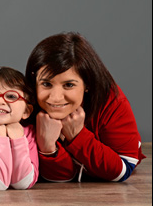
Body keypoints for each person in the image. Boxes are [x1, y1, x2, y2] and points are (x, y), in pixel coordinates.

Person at [25, 32, 146, 182]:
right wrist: (48, 147)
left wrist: (78, 136)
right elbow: (63, 177)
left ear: (87, 83)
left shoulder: (111, 99)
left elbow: (123, 169)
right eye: (46, 84)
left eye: (69, 85)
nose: (56, 97)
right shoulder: (25, 104)